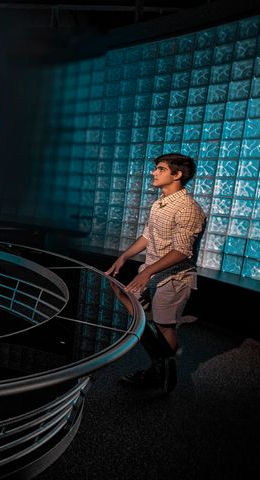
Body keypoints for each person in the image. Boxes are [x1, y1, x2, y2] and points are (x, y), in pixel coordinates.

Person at [105, 153, 205, 394]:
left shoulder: (188, 208)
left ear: (177, 174)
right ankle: (159, 366)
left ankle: (164, 376)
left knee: (164, 326)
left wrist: (148, 272)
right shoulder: (160, 203)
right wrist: (124, 256)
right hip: (151, 272)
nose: (153, 172)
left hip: (174, 278)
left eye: (160, 169)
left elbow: (182, 252)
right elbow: (148, 235)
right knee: (126, 299)